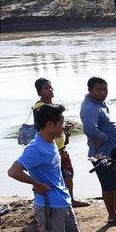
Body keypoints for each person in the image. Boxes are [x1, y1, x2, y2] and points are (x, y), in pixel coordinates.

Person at [8, 104, 111, 232]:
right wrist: (36, 183)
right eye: (61, 123)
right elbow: (13, 171)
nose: (63, 126)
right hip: (48, 206)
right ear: (49, 124)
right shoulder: (35, 148)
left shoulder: (51, 142)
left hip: (62, 201)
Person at [33, 78, 88, 207]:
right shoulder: (39, 108)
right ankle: (47, 203)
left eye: (51, 87)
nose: (50, 90)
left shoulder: (54, 105)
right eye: (46, 88)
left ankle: (71, 200)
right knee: (50, 177)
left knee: (68, 174)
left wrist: (65, 129)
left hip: (61, 146)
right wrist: (62, 128)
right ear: (39, 92)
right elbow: (41, 127)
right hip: (48, 147)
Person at [80, 76, 116, 224]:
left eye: (105, 89)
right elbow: (89, 129)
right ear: (90, 90)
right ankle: (112, 215)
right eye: (99, 89)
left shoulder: (98, 103)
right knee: (107, 184)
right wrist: (104, 137)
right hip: (101, 154)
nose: (103, 92)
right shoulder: (90, 107)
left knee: (115, 183)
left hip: (111, 151)